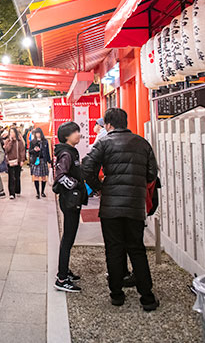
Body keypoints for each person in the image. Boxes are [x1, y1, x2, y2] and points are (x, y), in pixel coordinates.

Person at [82, 107, 159, 311]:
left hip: (110, 207)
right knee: (137, 249)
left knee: (114, 249)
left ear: (108, 124)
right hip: (134, 206)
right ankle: (147, 297)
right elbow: (152, 173)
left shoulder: (103, 143)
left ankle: (117, 295)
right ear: (125, 122)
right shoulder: (142, 143)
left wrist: (100, 187)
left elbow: (86, 168)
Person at [53, 121, 86, 292]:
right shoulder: (67, 153)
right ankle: (62, 278)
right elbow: (60, 176)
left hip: (70, 200)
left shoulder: (70, 152)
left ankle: (65, 271)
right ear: (66, 136)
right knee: (68, 238)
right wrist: (75, 188)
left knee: (69, 237)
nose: (78, 134)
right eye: (75, 132)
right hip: (70, 201)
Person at [3, 127, 25, 199]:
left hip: (18, 161)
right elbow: (6, 150)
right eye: (11, 132)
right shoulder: (7, 141)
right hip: (10, 161)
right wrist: (11, 142)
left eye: (13, 132)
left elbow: (22, 151)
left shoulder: (20, 142)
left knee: (17, 176)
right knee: (11, 177)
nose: (12, 134)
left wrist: (22, 160)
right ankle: (11, 193)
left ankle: (17, 190)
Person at [28, 128, 51, 198]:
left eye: (39, 133)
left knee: (44, 177)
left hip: (43, 160)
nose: (38, 134)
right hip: (36, 160)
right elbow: (30, 151)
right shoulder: (32, 142)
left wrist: (49, 161)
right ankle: (37, 193)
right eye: (36, 133)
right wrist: (34, 150)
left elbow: (47, 152)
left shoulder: (45, 141)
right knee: (36, 177)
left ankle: (43, 192)